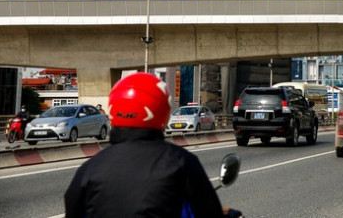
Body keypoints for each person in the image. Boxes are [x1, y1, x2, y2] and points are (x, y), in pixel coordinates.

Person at [64, 72, 240, 217]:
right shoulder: (181, 162)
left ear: (112, 111)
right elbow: (210, 213)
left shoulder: (89, 169)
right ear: (163, 114)